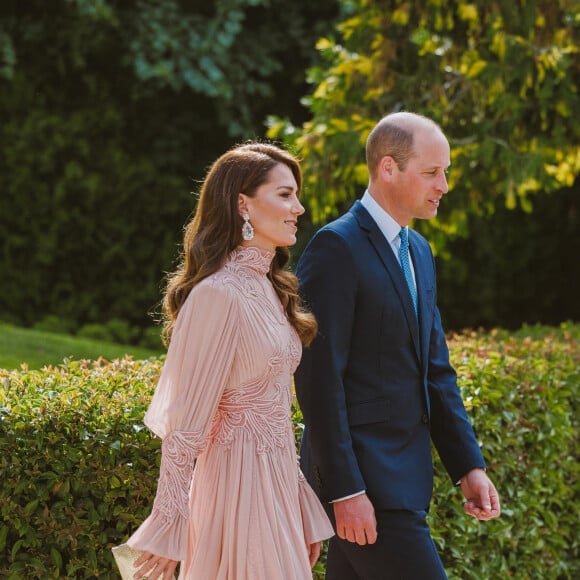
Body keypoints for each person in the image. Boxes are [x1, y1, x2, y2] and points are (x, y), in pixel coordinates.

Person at [294, 112, 501, 579]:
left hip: (404, 483)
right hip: (365, 487)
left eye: (445, 171)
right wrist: (346, 491)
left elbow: (435, 371)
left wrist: (468, 465)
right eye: (431, 172)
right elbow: (318, 379)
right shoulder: (336, 248)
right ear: (388, 168)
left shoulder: (420, 253)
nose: (443, 185)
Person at [124, 141, 334, 579]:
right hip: (235, 494)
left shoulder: (272, 291)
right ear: (243, 203)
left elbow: (275, 414)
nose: (298, 207)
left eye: (296, 194)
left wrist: (296, 501)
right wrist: (170, 525)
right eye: (284, 194)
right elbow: (184, 428)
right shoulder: (216, 295)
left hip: (275, 490)